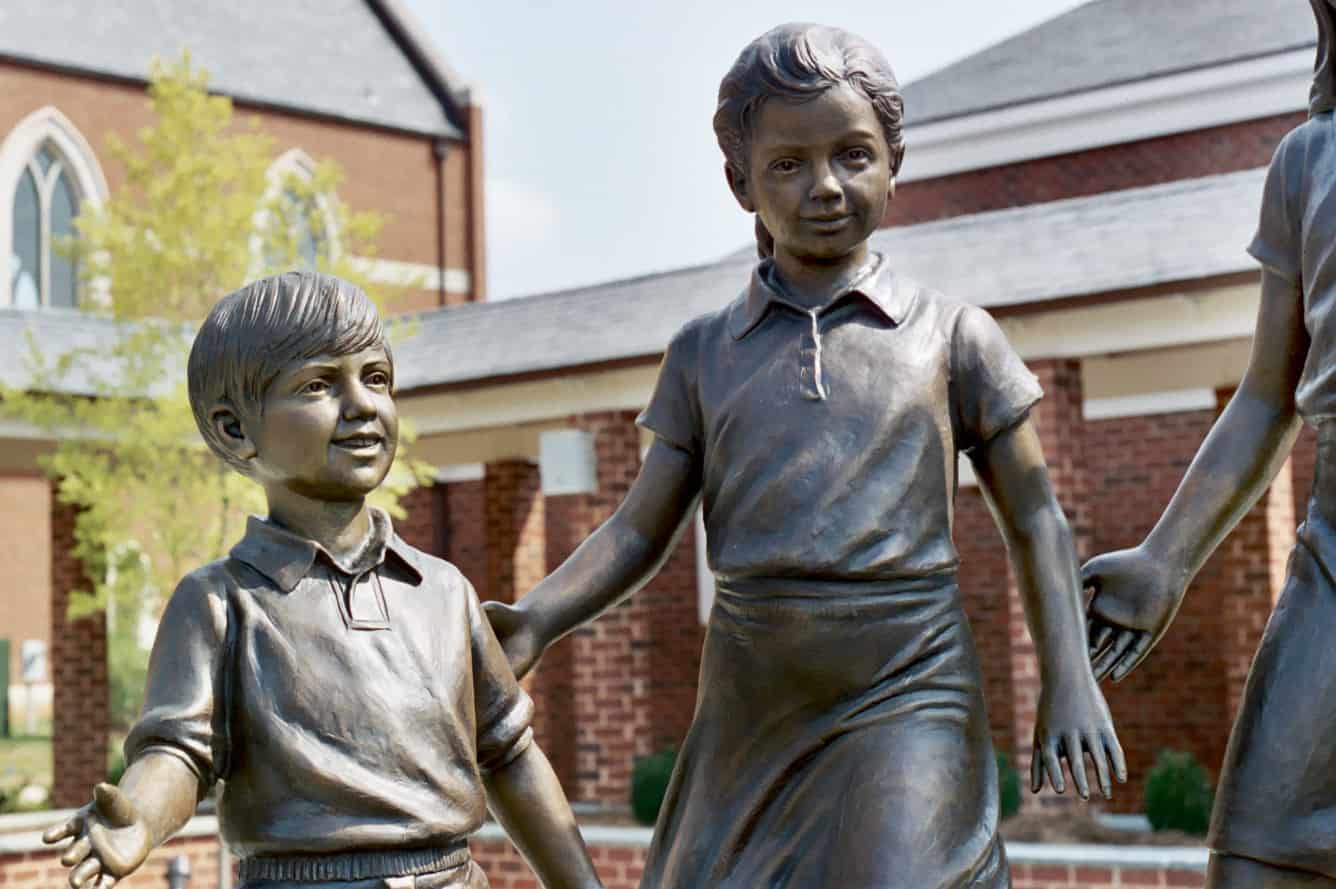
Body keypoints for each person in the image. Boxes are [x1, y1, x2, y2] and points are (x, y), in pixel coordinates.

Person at [485, 24, 1124, 888]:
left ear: (894, 162)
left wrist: (1069, 676)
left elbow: (1037, 516)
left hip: (909, 679)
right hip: (751, 693)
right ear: (740, 182)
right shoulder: (704, 353)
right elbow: (637, 530)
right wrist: (537, 617)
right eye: (788, 164)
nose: (825, 185)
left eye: (853, 155)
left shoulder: (953, 336)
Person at [43, 271, 602, 889]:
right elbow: (177, 752)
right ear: (235, 430)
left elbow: (509, 753)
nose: (362, 404)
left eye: (376, 378)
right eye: (318, 384)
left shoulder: (443, 592)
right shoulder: (221, 603)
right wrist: (140, 817)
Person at [1084, 3, 1336, 886]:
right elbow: (1268, 394)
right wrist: (1166, 556)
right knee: (1258, 847)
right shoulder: (1307, 161)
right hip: (1332, 551)